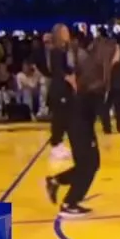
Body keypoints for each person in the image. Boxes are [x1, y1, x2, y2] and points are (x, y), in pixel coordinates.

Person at [46, 38, 114, 217]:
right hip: (79, 124)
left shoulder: (96, 72)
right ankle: (69, 203)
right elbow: (98, 107)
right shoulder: (97, 77)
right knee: (89, 165)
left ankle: (56, 181)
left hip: (81, 123)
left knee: (91, 163)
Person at [46, 25, 77, 159]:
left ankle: (60, 143)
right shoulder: (55, 51)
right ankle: (55, 144)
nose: (67, 33)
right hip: (59, 89)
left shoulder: (66, 50)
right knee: (58, 118)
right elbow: (57, 70)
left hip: (66, 88)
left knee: (65, 118)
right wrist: (69, 78)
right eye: (65, 31)